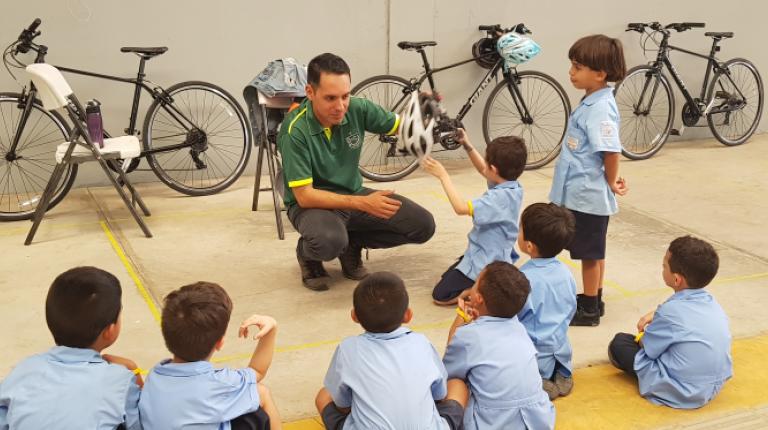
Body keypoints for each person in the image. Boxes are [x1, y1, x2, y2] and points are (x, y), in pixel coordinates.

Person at [277, 53, 435, 291]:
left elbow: (400, 126)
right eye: (330, 98)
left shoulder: (358, 108)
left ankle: (352, 245)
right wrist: (363, 204)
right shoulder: (294, 130)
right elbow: (304, 196)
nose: (340, 106)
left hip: (353, 194)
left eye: (345, 96)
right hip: (311, 205)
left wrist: (426, 117)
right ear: (310, 92)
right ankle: (308, 254)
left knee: (422, 225)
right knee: (328, 241)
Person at [315, 272, 466, 429]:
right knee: (457, 385)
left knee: (324, 395)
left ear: (354, 316)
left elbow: (342, 405)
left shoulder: (347, 349)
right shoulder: (421, 342)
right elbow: (439, 395)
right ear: (408, 315)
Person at [0, 267, 143, 430]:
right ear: (110, 331)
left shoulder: (23, 370)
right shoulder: (120, 380)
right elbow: (143, 424)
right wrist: (135, 372)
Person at [549, 34, 628, 326]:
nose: (571, 72)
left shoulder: (600, 109)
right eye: (572, 65)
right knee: (593, 251)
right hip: (580, 192)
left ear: (600, 74)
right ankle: (594, 297)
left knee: (590, 255)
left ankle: (590, 308)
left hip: (588, 197)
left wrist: (612, 181)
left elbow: (610, 150)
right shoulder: (592, 101)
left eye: (578, 67)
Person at [608, 236, 732, 409]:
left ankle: (660, 386)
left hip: (683, 391)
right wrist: (657, 315)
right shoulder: (713, 304)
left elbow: (648, 347)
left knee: (620, 343)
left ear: (676, 280)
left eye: (664, 266)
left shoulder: (670, 313)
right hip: (712, 386)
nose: (662, 269)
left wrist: (648, 331)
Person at [139, 282, 282, 430]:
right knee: (261, 392)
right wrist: (271, 328)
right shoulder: (222, 384)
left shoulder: (155, 375)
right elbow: (258, 371)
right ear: (220, 343)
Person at [444, 261, 555, 429]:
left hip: (491, 423)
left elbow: (448, 367)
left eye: (474, 284)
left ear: (478, 299)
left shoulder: (468, 336)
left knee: (455, 383)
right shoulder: (518, 327)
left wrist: (461, 317)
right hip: (537, 421)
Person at [421, 129, 526, 304]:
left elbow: (460, 208)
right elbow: (485, 171)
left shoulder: (497, 199)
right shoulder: (512, 187)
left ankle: (481, 288)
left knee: (440, 296)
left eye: (487, 163)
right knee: (447, 277)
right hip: (489, 252)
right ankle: (489, 279)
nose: (484, 167)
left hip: (487, 259)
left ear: (494, 169)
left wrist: (443, 175)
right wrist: (467, 145)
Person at [516, 203, 578, 400]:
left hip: (535, 356)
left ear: (529, 246)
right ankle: (561, 374)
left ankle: (538, 381)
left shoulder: (523, 278)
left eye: (520, 229)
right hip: (560, 352)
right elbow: (570, 310)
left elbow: (512, 318)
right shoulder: (566, 273)